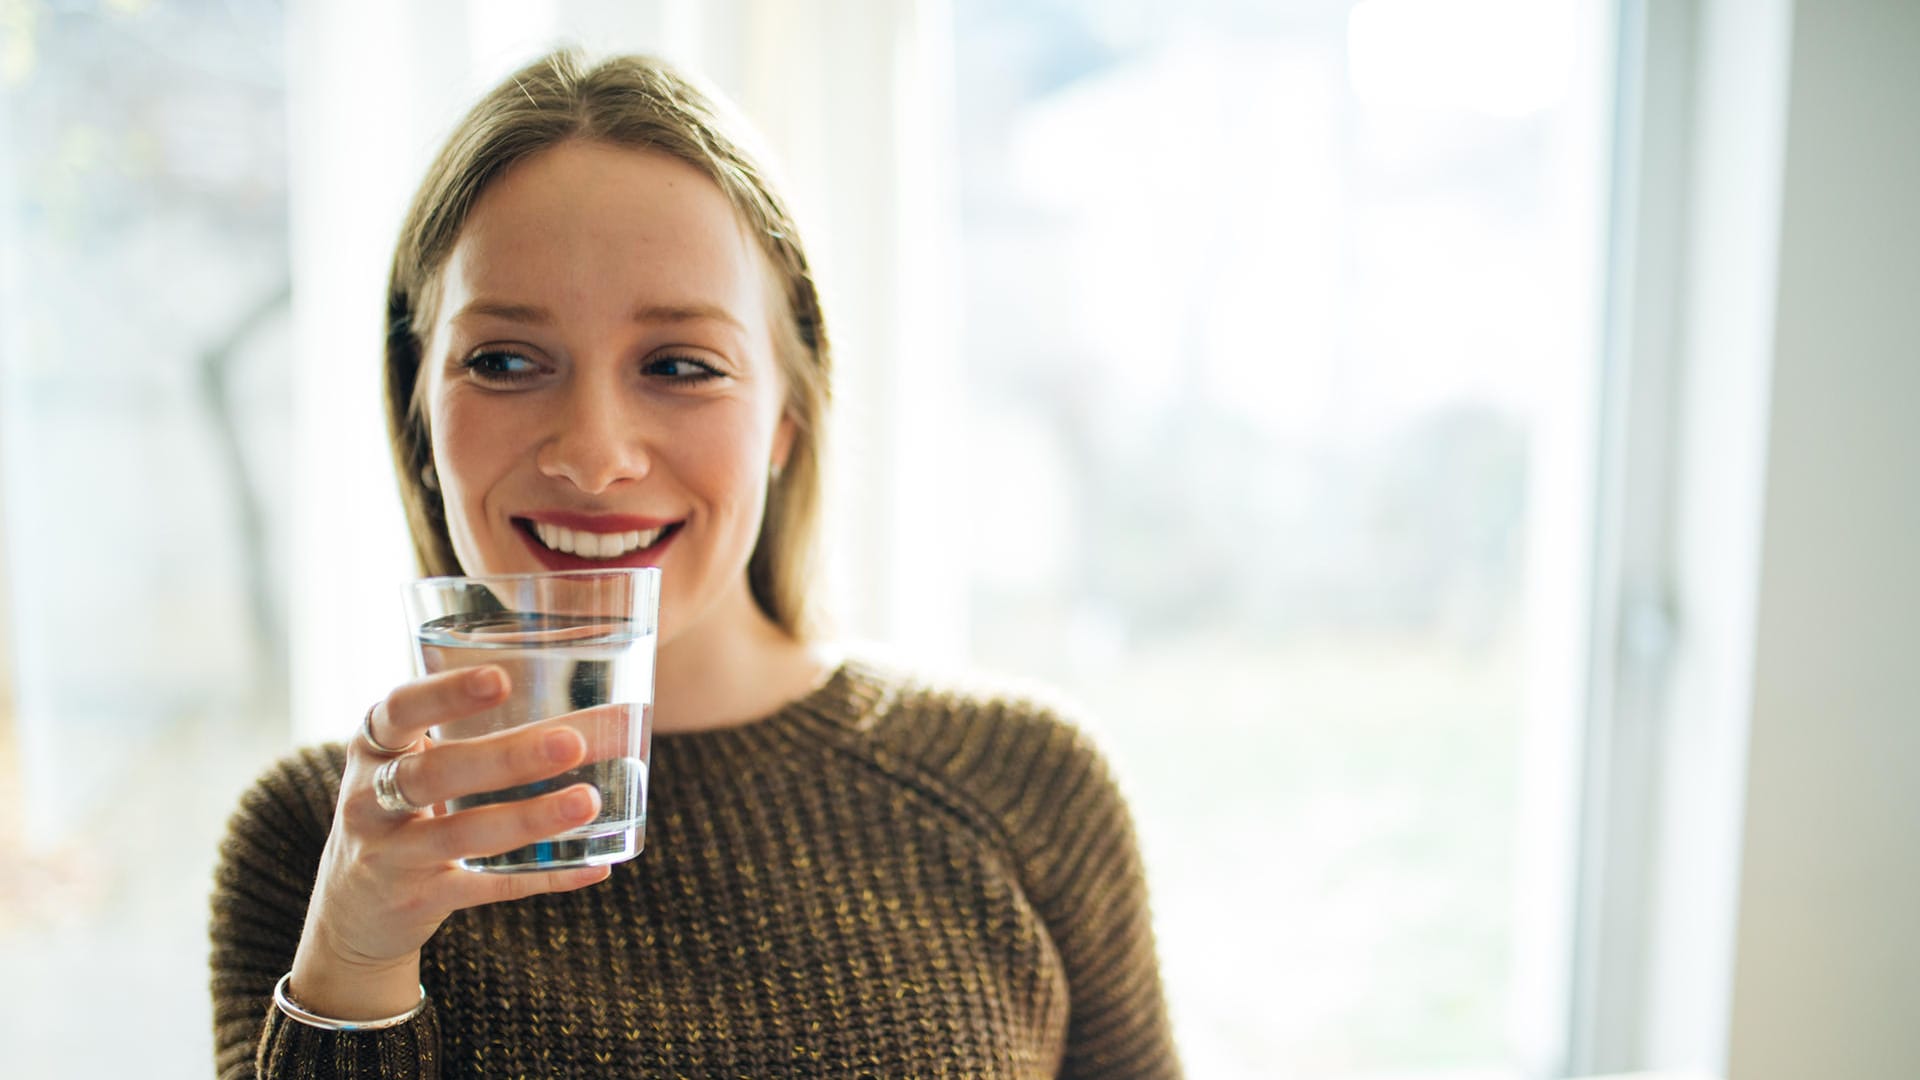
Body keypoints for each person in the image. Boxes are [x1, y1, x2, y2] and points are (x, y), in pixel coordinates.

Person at [210, 49, 1180, 1079]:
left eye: (679, 366)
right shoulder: (316, 847)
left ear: (787, 418)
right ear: (418, 411)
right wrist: (354, 969)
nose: (592, 454)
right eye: (503, 361)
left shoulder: (1023, 787)